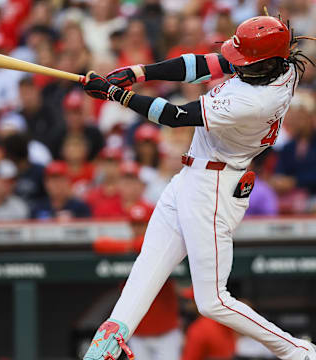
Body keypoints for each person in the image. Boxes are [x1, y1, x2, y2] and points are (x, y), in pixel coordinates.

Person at [82, 15, 316, 360]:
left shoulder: (255, 101)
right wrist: (141, 72)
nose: (235, 63)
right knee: (149, 263)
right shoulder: (279, 67)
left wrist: (117, 95)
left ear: (266, 63)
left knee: (213, 301)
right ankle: (108, 341)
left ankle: (299, 352)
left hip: (215, 186)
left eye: (245, 60)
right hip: (193, 176)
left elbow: (174, 116)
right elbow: (205, 64)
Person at [93, 202, 182, 360]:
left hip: (166, 332)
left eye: (142, 224)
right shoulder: (127, 248)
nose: (138, 229)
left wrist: (131, 246)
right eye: (135, 225)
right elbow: (99, 244)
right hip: (136, 332)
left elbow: (143, 244)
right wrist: (129, 247)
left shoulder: (162, 244)